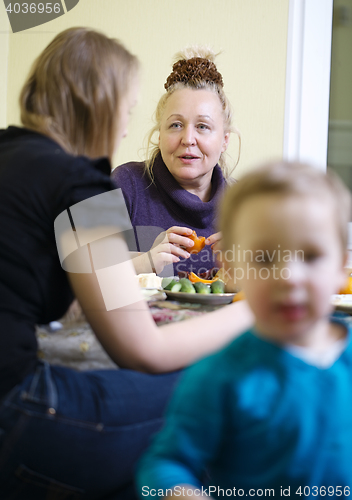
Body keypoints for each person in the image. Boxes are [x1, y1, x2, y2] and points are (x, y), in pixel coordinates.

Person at [0, 28, 253, 499]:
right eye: (129, 109)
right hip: (19, 412)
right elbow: (143, 350)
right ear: (99, 104)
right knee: (209, 394)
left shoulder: (8, 153)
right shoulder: (83, 184)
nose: (125, 127)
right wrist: (256, 306)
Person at [136, 161, 352, 496]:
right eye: (265, 258)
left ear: (342, 268)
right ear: (232, 269)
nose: (289, 277)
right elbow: (165, 465)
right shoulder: (218, 376)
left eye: (310, 256)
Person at [112, 47, 240, 277]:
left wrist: (251, 269)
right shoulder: (123, 182)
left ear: (224, 140)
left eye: (203, 126)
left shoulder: (244, 203)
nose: (188, 139)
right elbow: (79, 272)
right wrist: (144, 263)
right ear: (160, 135)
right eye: (175, 125)